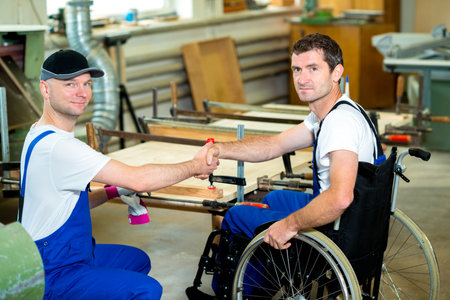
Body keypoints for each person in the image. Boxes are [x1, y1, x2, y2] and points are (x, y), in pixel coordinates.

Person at [19, 49, 219, 299]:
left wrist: (113, 190)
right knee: (146, 289)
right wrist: (196, 166)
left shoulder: (39, 133)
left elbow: (69, 204)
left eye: (86, 84)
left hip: (63, 253)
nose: (82, 93)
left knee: (136, 261)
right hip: (53, 270)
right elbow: (140, 179)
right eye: (70, 84)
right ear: (45, 89)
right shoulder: (61, 147)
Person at [204, 33, 384, 251]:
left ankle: (243, 285)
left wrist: (289, 225)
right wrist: (220, 149)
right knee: (274, 197)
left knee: (236, 215)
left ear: (336, 72)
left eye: (313, 68)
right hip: (361, 218)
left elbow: (340, 198)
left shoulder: (339, 124)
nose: (302, 78)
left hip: (338, 230)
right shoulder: (339, 109)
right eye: (297, 69)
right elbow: (275, 145)